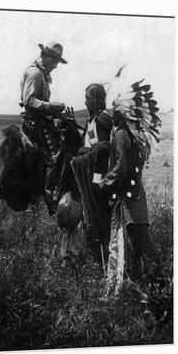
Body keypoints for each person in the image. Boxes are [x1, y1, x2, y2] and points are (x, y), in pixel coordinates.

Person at [97, 81, 160, 293]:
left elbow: (121, 167)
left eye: (115, 112)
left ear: (122, 115)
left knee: (141, 242)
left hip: (129, 198)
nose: (112, 115)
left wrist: (104, 183)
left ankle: (159, 286)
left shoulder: (121, 135)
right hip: (133, 195)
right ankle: (141, 288)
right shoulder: (131, 136)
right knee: (135, 243)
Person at [20, 42, 68, 214]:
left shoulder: (41, 73)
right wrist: (50, 106)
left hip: (41, 119)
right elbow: (29, 101)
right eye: (54, 61)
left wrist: (55, 113)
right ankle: (50, 199)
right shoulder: (35, 73)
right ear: (45, 57)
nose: (55, 66)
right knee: (55, 156)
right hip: (36, 122)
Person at [70, 84, 113, 267]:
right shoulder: (92, 119)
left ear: (98, 100)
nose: (85, 102)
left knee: (99, 218)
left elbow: (103, 150)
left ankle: (103, 261)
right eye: (85, 99)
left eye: (88, 99)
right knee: (90, 218)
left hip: (97, 178)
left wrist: (85, 154)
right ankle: (96, 259)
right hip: (89, 176)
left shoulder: (103, 120)